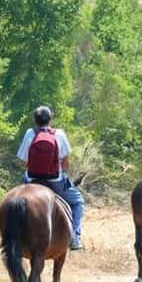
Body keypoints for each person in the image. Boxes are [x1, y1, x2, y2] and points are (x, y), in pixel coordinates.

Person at [16, 106, 85, 250]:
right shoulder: (59, 134)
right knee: (78, 202)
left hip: (31, 179)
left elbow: (23, 161)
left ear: (35, 120)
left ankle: (12, 237)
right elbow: (65, 164)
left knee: (15, 200)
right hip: (55, 181)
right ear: (51, 119)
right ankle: (75, 238)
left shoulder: (30, 133)